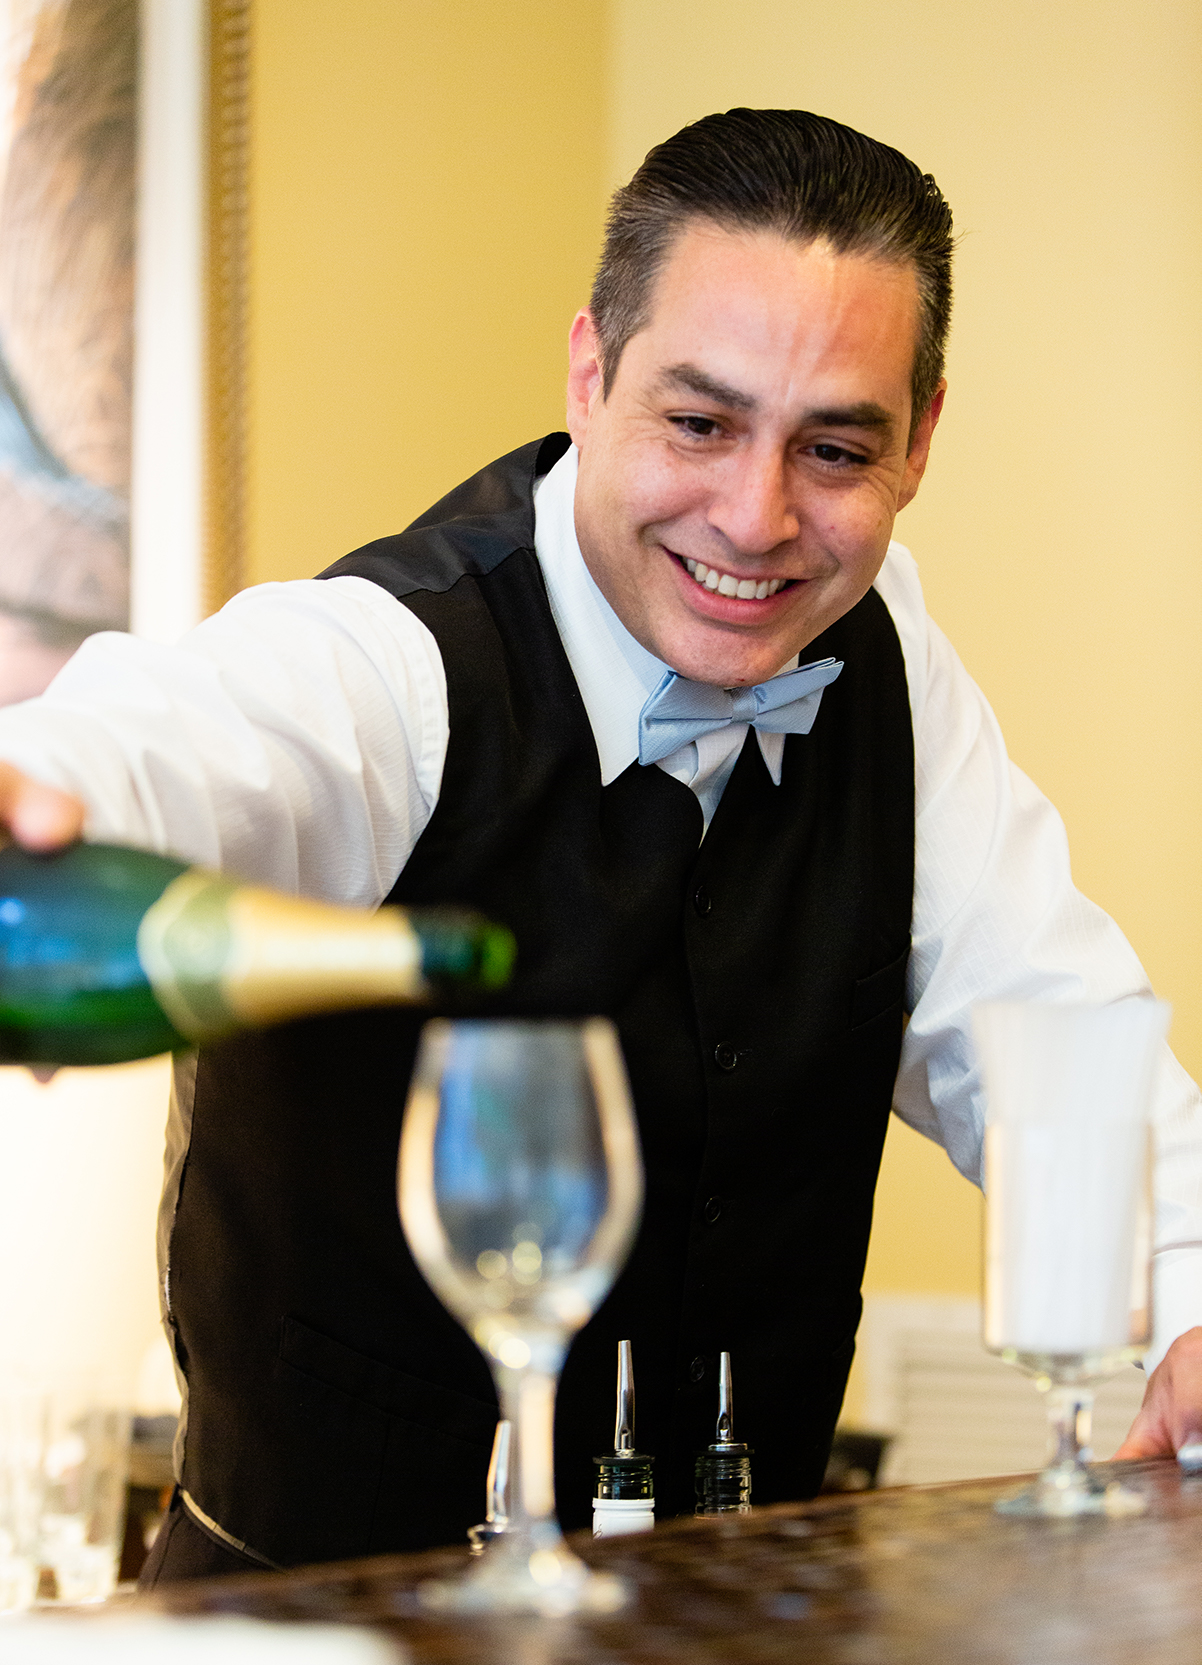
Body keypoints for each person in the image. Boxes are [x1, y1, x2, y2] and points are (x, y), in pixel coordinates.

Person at [0, 109, 1198, 1583]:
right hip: (311, 1658)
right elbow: (169, 741)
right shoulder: (389, 663)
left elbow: (1055, 1036)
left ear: (921, 439)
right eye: (699, 422)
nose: (755, 519)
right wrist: (42, 797)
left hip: (725, 1658)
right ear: (588, 372)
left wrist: (1193, 1284)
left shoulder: (887, 659)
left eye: (833, 447)